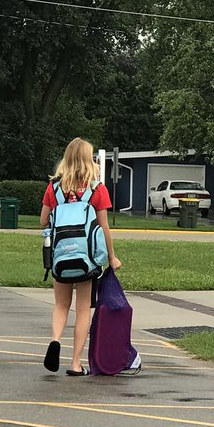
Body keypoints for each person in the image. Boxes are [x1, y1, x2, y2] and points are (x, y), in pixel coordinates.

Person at [40, 138, 121, 376]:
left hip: (60, 258)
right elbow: (104, 227)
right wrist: (112, 258)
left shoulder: (54, 188)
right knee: (83, 309)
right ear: (89, 159)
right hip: (86, 259)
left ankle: (55, 339)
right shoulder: (97, 189)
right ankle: (75, 364)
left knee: (60, 304)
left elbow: (43, 220)